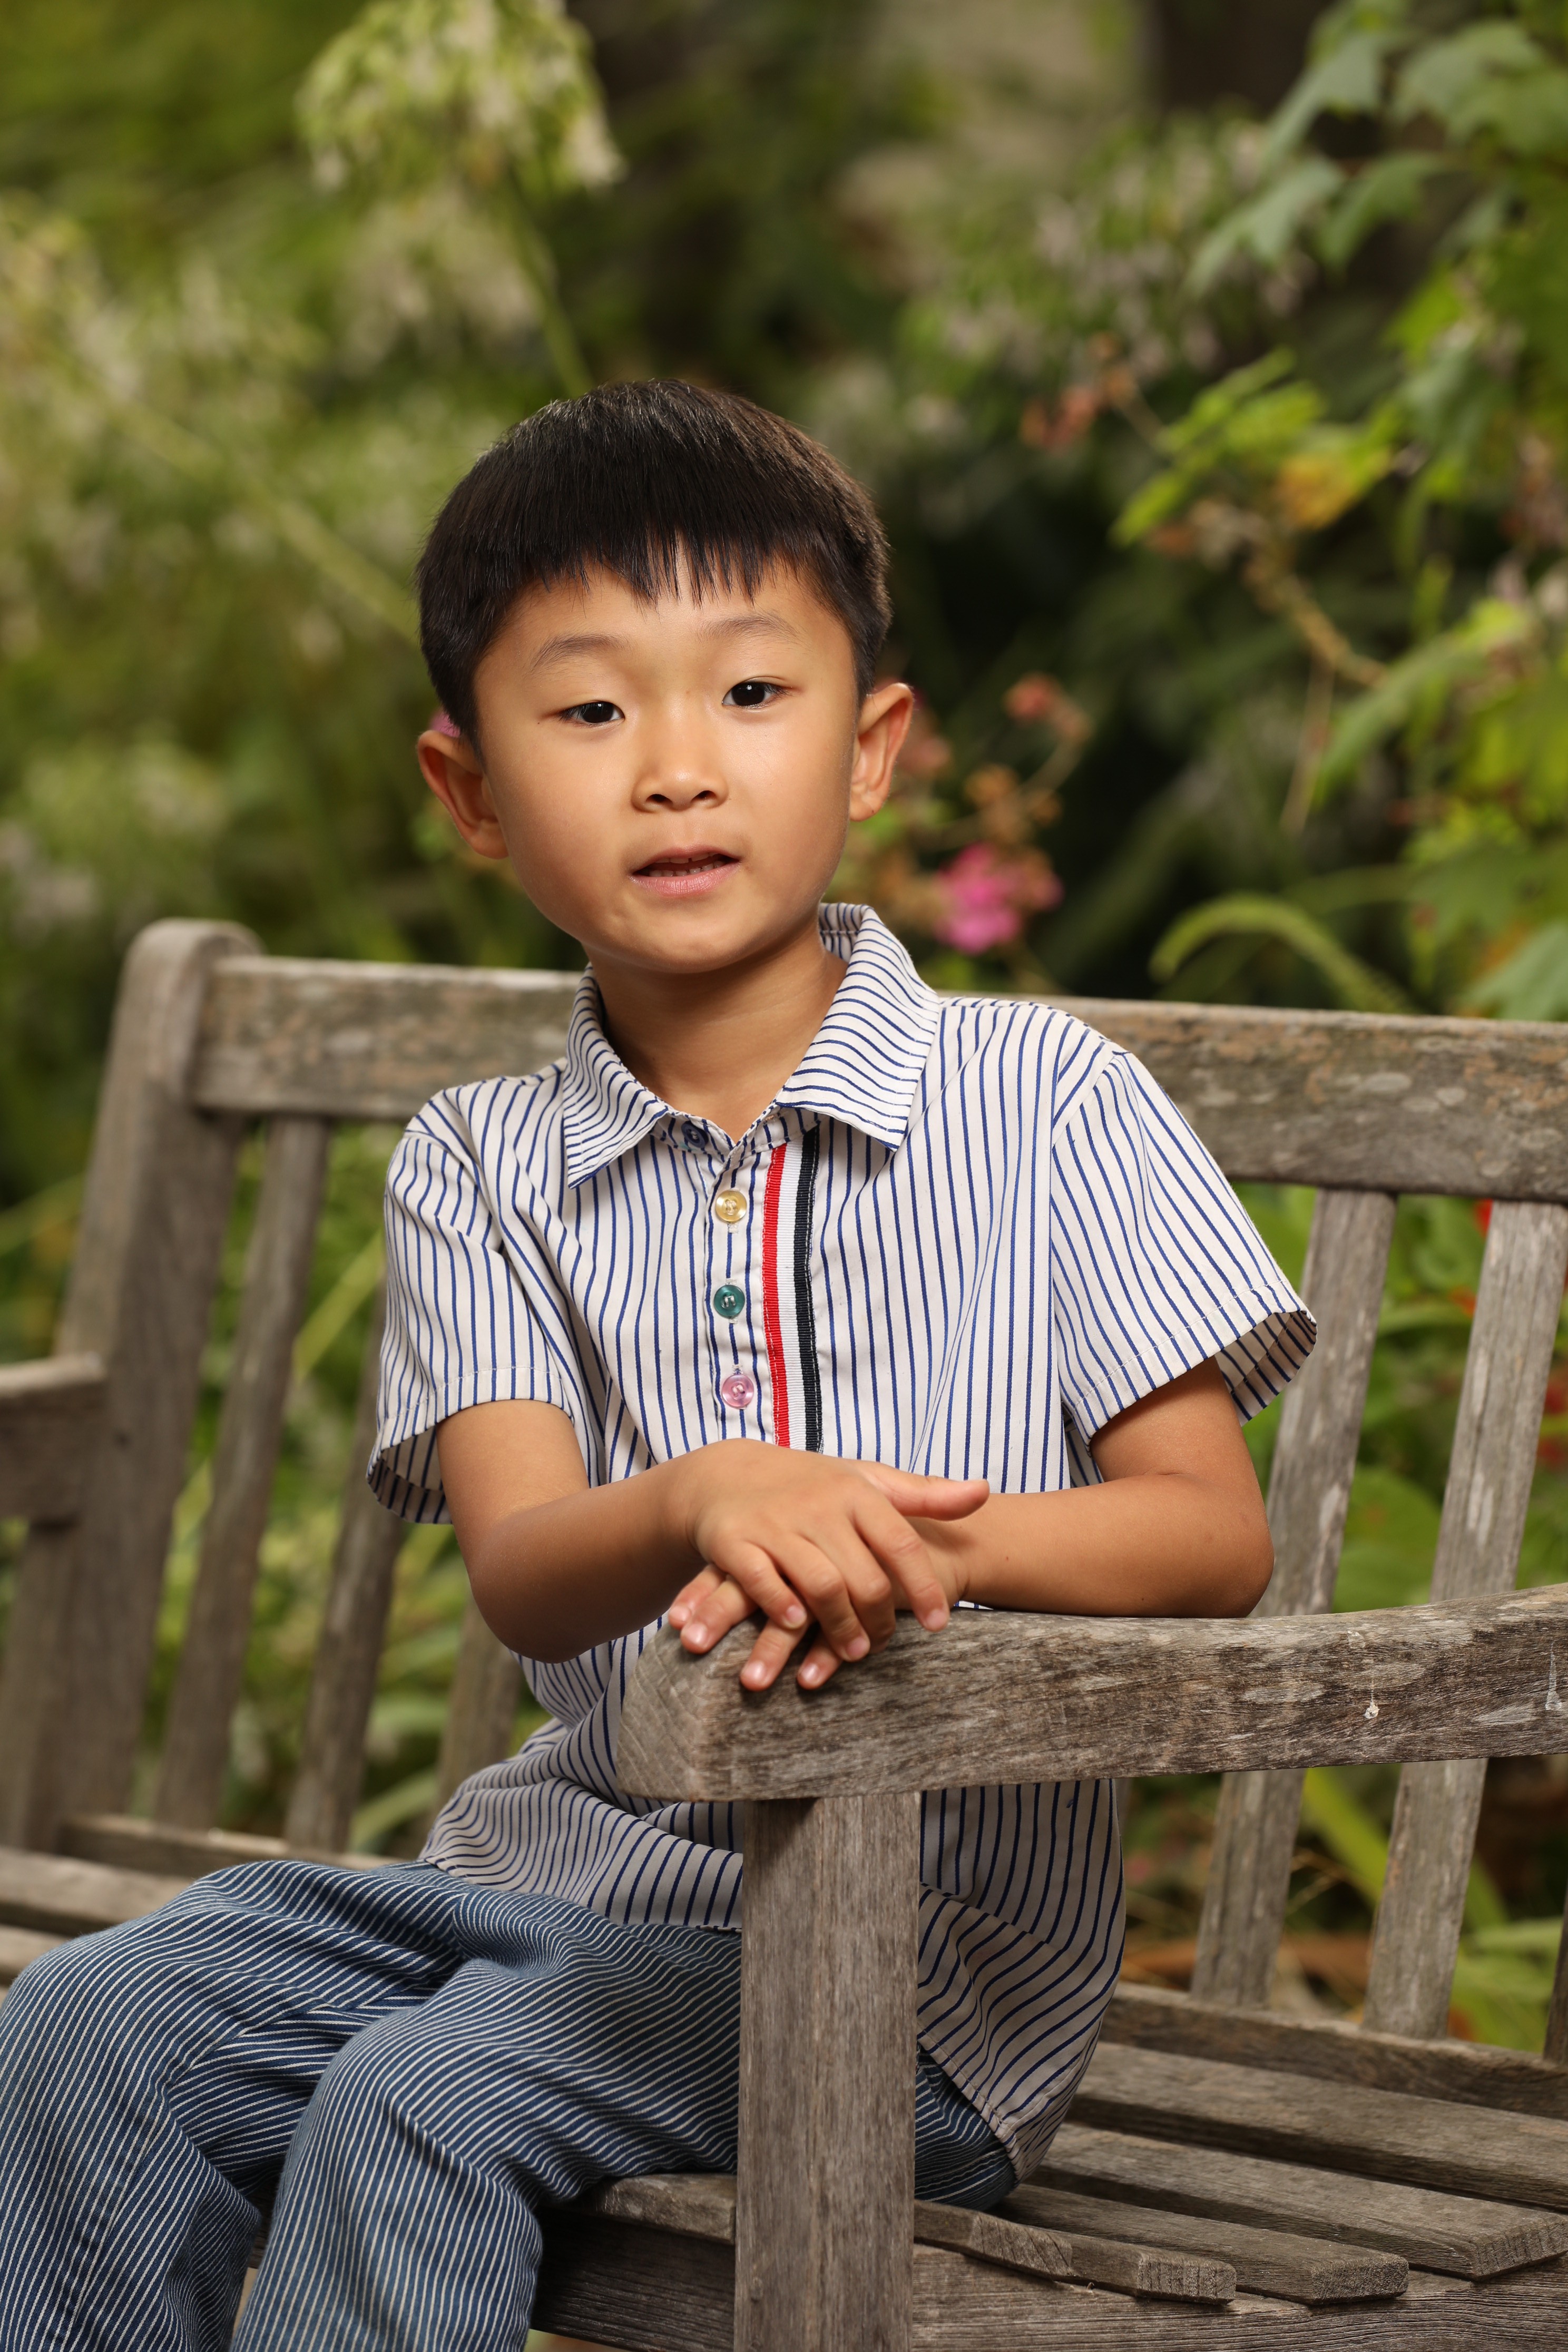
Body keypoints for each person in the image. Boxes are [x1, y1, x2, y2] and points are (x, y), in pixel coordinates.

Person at [0, 381, 1313, 2351]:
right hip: (541, 1890)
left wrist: (919, 1546)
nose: (679, 771)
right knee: (88, 2026)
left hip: (908, 1985)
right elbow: (528, 1569)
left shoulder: (1048, 1106)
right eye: (595, 712)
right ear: (470, 793)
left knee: (425, 2101)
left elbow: (1210, 1537)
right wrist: (707, 1493)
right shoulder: (482, 1163)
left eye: (753, 696)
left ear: (871, 747)